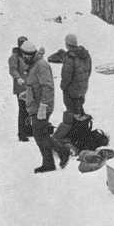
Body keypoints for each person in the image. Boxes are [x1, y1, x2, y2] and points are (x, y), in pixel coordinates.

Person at [19, 40, 71, 173]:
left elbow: (47, 87)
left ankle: (58, 155)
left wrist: (43, 106)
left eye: (28, 55)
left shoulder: (41, 66)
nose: (25, 57)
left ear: (33, 54)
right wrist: (28, 93)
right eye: (24, 55)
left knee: (39, 135)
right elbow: (35, 84)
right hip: (36, 104)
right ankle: (54, 158)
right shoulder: (33, 65)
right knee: (40, 135)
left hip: (42, 106)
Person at [60, 34, 92, 120]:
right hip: (82, 89)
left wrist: (63, 87)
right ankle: (82, 129)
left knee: (72, 114)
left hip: (71, 91)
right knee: (79, 110)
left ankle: (74, 131)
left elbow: (66, 78)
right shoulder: (86, 55)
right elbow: (89, 72)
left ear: (67, 44)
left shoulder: (70, 58)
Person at [8, 36, 33, 141]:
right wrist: (18, 78)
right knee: (23, 109)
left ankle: (28, 129)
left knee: (29, 109)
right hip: (20, 87)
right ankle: (21, 133)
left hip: (29, 85)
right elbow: (12, 69)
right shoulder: (14, 56)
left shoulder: (27, 55)